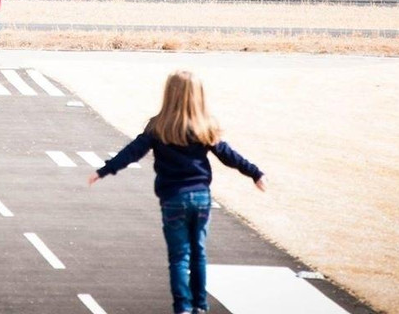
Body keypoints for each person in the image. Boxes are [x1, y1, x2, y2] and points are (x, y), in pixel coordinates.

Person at [88, 70, 266, 314]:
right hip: (202, 198)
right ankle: (200, 306)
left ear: (169, 95)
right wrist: (255, 173)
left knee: (179, 257)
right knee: (198, 253)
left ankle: (182, 307)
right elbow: (228, 156)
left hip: (173, 198)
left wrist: (104, 170)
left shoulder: (158, 127)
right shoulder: (205, 127)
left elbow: (132, 152)